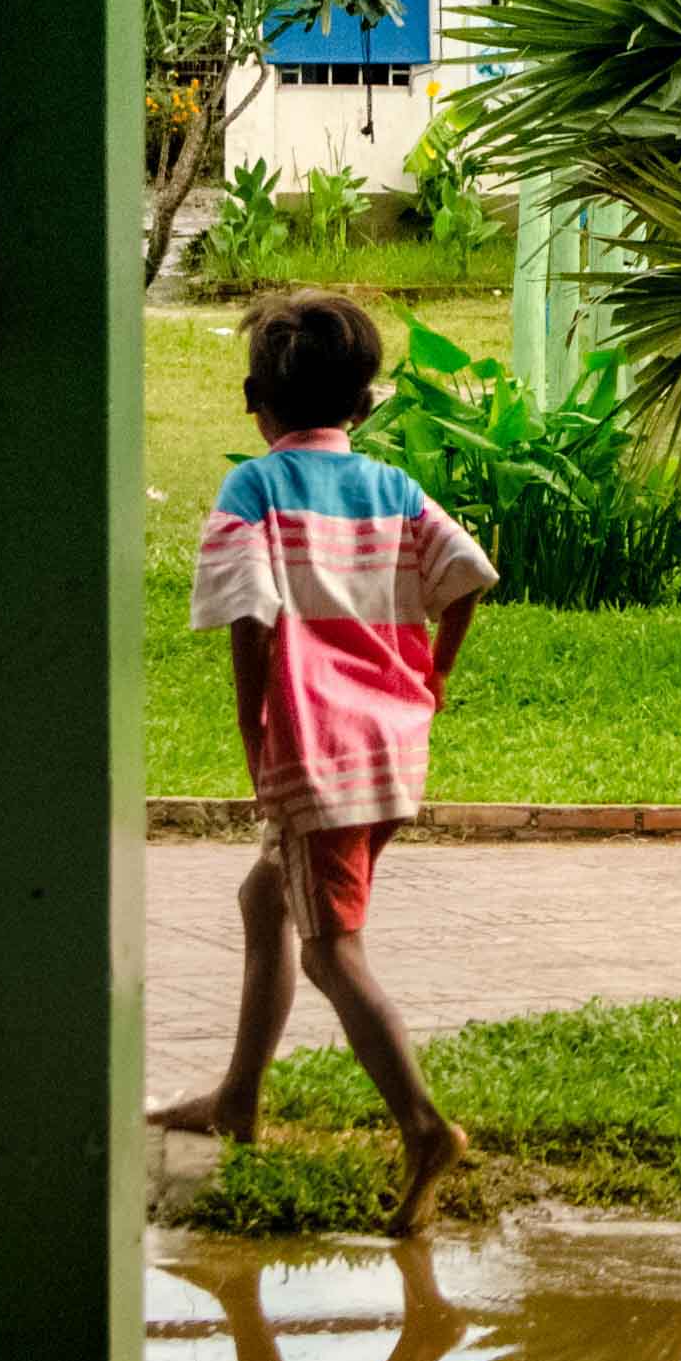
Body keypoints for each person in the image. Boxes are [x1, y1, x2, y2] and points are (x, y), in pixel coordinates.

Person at [155, 289, 494, 1234]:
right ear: (366, 402)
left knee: (330, 948)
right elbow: (466, 575)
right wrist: (430, 674)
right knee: (265, 900)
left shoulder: (253, 490)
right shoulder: (391, 488)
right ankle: (236, 1101)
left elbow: (251, 619)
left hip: (313, 753)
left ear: (253, 397)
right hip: (390, 746)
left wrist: (253, 729)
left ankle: (425, 1128)